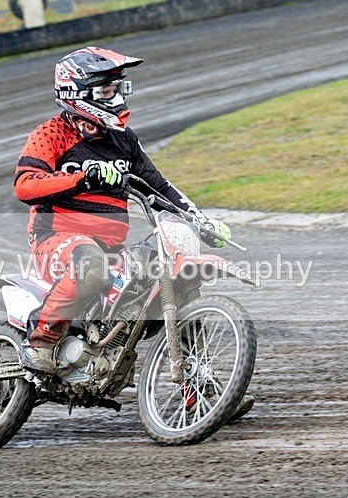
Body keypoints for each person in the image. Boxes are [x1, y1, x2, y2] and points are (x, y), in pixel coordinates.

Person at [13, 46, 227, 373]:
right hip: (56, 238)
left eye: (117, 88)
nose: (115, 97)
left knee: (170, 271)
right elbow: (25, 185)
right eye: (106, 91)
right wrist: (83, 178)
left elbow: (158, 186)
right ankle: (41, 339)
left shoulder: (124, 140)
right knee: (91, 265)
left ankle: (197, 382)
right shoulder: (51, 134)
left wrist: (200, 220)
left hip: (111, 245)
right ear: (77, 93)